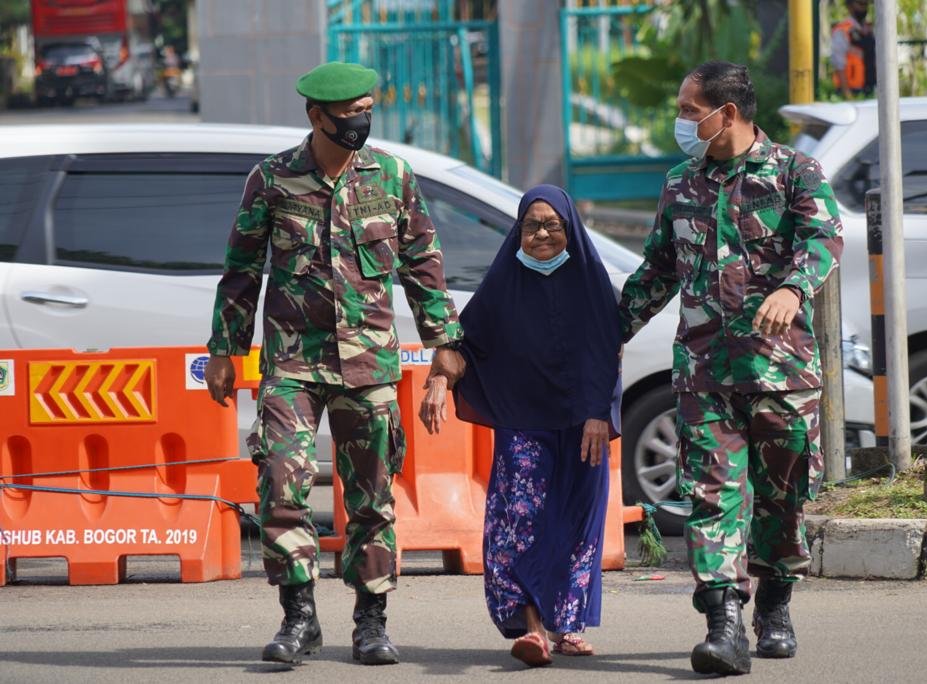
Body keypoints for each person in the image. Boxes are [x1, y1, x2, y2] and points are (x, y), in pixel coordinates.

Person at [203, 61, 464, 666]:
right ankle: (299, 619)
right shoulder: (271, 180)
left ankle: (371, 620)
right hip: (292, 363)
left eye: (368, 110)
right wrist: (225, 349)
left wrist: (445, 342)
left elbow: (423, 265)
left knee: (372, 496)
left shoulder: (392, 176)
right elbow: (241, 270)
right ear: (317, 116)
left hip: (369, 363)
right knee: (281, 485)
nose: (361, 123)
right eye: (349, 115)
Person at [618, 61, 843, 676]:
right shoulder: (681, 183)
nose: (682, 122)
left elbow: (824, 238)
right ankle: (724, 624)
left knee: (783, 496)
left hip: (781, 373)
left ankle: (774, 603)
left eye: (691, 110)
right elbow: (657, 271)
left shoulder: (796, 171)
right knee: (712, 495)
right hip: (704, 373)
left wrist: (793, 289)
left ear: (729, 113)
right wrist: (607, 332)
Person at [418, 184, 622, 668]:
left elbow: (606, 352)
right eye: (532, 225)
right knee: (520, 522)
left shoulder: (592, 284)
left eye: (553, 225)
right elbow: (465, 344)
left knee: (578, 525)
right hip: (524, 424)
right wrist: (440, 380)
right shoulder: (503, 283)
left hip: (582, 424)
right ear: (518, 231)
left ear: (570, 228)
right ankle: (531, 626)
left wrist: (598, 412)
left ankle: (565, 625)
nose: (542, 234)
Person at [831, 0, 875, 99]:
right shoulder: (842, 30)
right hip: (851, 92)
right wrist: (848, 95)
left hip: (869, 90)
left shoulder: (870, 30)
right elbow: (839, 64)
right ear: (849, 6)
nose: (864, 8)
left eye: (866, 4)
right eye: (860, 4)